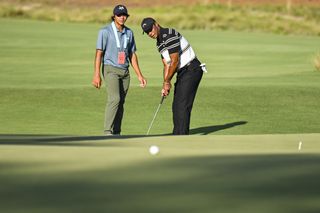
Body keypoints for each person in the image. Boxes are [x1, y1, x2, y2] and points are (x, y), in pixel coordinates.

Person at [141, 17, 205, 135]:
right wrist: (165, 84)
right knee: (176, 106)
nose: (150, 33)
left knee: (182, 105)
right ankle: (177, 135)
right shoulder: (159, 44)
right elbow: (166, 65)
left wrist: (167, 81)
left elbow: (175, 61)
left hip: (192, 68)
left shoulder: (169, 35)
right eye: (147, 32)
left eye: (151, 29)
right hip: (183, 72)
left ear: (156, 24)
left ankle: (180, 137)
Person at [92, 5, 147, 136]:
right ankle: (107, 131)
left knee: (121, 102)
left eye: (124, 15)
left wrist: (139, 75)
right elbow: (99, 53)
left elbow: (132, 55)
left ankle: (117, 132)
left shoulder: (129, 33)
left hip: (125, 72)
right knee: (115, 99)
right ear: (114, 16)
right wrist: (96, 74)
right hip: (110, 69)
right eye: (119, 15)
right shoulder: (104, 31)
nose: (122, 18)